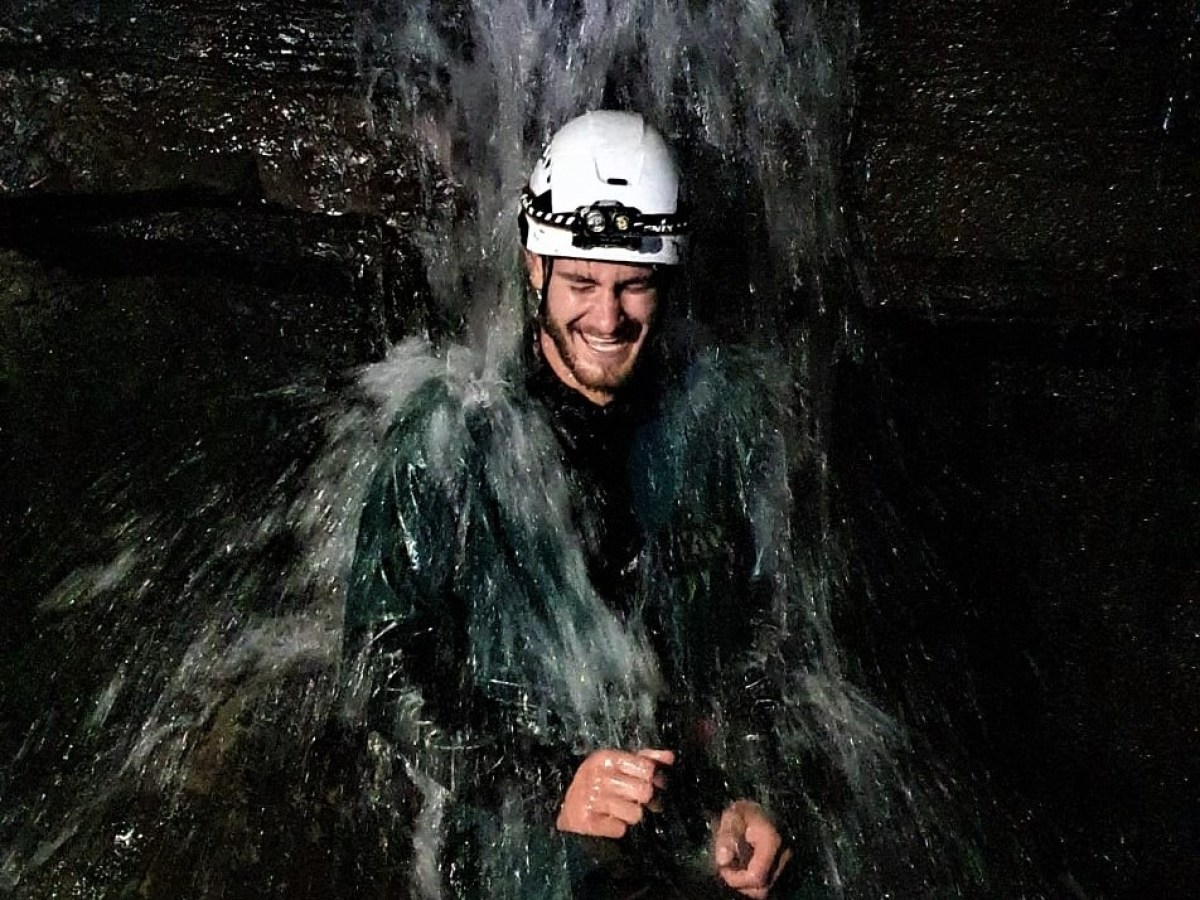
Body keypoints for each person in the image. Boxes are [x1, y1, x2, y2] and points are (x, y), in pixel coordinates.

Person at [344, 110, 809, 898]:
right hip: (521, 840)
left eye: (633, 286)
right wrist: (546, 785)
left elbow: (767, 631)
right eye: (583, 283)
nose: (606, 317)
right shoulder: (449, 433)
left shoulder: (721, 419)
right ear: (535, 267)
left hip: (684, 825)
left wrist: (752, 786)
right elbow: (376, 664)